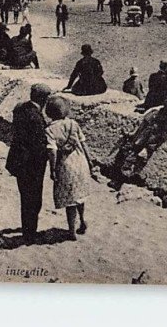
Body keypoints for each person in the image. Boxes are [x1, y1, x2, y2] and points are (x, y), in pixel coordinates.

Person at [45, 95, 98, 241]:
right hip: (80, 161)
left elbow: (52, 151)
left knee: (70, 200)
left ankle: (71, 230)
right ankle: (82, 220)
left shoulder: (50, 129)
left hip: (65, 165)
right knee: (79, 196)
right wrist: (90, 161)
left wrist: (53, 169)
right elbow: (84, 143)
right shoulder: (74, 124)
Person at [5, 83, 52, 245]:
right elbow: (38, 146)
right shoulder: (36, 118)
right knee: (33, 199)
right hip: (31, 165)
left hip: (17, 160)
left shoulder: (20, 109)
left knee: (25, 196)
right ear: (44, 99)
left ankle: (27, 228)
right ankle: (29, 234)